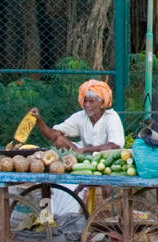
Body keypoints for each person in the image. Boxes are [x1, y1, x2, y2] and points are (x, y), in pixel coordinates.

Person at [29, 80, 125, 215]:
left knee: (105, 152)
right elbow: (53, 134)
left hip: (107, 162)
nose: (87, 105)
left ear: (102, 103)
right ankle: (50, 216)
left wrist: (86, 150)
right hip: (83, 161)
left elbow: (115, 145)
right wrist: (39, 120)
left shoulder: (111, 117)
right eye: (85, 101)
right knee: (60, 140)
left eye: (91, 102)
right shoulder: (81, 117)